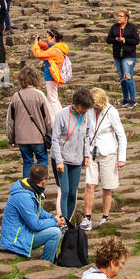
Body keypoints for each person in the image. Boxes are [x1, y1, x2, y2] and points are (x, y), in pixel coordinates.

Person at [81, 87, 128, 231]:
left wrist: (121, 158)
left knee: (107, 187)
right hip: (92, 151)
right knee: (89, 185)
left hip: (108, 152)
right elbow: (86, 132)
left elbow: (121, 135)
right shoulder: (88, 111)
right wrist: (85, 154)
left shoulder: (111, 112)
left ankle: (105, 217)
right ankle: (87, 217)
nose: (92, 107)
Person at [0, 164, 66, 262]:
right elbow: (35, 225)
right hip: (16, 240)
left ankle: (52, 258)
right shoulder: (24, 197)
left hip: (24, 232)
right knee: (55, 233)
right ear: (43, 181)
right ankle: (46, 262)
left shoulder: (31, 188)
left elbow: (40, 212)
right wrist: (55, 222)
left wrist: (54, 217)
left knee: (58, 227)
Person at [51, 88, 92, 222]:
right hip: (62, 159)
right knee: (65, 191)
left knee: (73, 193)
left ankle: (68, 221)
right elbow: (55, 139)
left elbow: (87, 136)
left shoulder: (85, 115)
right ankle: (63, 222)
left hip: (77, 159)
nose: (85, 111)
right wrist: (59, 161)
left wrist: (86, 155)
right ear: (76, 103)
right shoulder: (61, 115)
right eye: (83, 107)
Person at [7, 65, 54, 179]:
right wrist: (53, 133)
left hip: (22, 138)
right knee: (42, 160)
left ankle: (27, 189)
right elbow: (49, 117)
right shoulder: (39, 95)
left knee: (27, 162)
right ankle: (40, 187)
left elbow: (10, 120)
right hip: (38, 137)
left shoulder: (16, 97)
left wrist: (11, 138)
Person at [106, 8, 140, 108]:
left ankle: (133, 100)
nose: (118, 18)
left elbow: (136, 41)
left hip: (129, 56)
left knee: (127, 76)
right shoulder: (114, 27)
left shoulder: (132, 28)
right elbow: (108, 39)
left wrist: (125, 40)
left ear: (126, 18)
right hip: (117, 56)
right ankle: (125, 99)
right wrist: (116, 39)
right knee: (122, 79)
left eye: (120, 16)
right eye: (118, 16)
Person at [32, 28, 70, 114]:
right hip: (53, 76)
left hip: (51, 76)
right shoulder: (57, 47)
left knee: (52, 99)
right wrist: (39, 42)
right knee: (53, 98)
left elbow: (39, 54)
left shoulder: (54, 50)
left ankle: (57, 118)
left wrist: (35, 44)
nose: (46, 39)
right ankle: (60, 116)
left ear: (53, 38)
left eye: (47, 37)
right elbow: (46, 47)